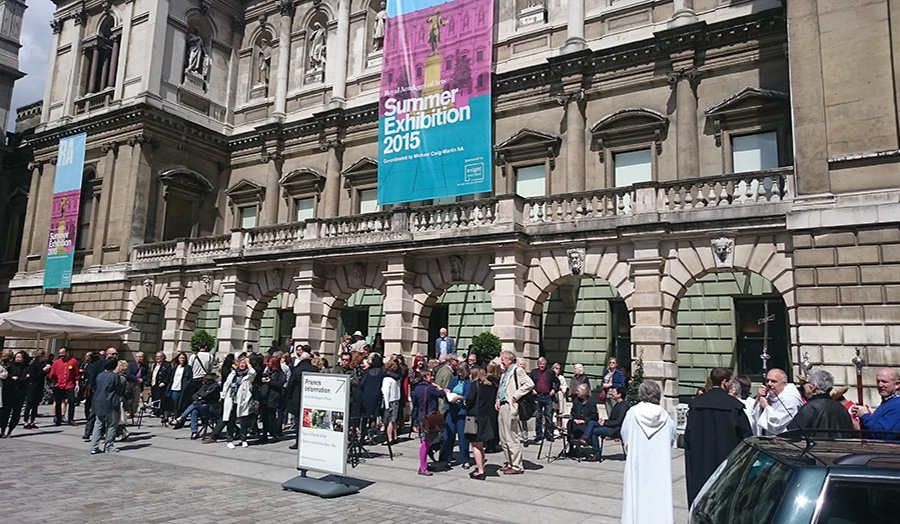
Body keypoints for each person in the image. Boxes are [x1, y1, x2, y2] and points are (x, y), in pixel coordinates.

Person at [684, 367, 753, 506]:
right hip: (727, 462)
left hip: (701, 460)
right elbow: (747, 438)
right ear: (724, 382)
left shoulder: (696, 404)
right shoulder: (734, 406)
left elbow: (688, 436)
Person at [620, 381, 676, 524]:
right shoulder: (665, 417)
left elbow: (625, 435)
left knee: (636, 497)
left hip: (637, 464)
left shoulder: (633, 413)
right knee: (658, 499)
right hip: (659, 467)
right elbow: (671, 437)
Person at [495, 350, 534, 475]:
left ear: (510, 360)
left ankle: (517, 466)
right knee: (503, 437)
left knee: (512, 436)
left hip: (510, 406)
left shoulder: (517, 370)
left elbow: (529, 384)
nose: (501, 361)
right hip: (502, 406)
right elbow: (502, 388)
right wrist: (497, 399)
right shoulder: (504, 373)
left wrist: (516, 395)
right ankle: (509, 462)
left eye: (503, 359)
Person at [787, 368, 853, 437]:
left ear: (813, 387)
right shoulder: (841, 408)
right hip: (842, 447)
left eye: (805, 383)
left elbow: (793, 432)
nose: (803, 386)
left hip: (819, 447)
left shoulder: (810, 407)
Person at [581, 386, 629, 462]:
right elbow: (612, 419)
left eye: (613, 392)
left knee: (594, 432)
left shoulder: (624, 406)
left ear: (619, 394)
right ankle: (585, 438)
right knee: (592, 422)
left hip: (616, 429)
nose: (611, 394)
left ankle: (596, 454)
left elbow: (618, 421)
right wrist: (603, 421)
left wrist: (605, 423)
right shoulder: (617, 404)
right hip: (611, 426)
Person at [412, 368, 446, 476]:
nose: (432, 377)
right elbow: (441, 394)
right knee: (426, 442)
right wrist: (439, 387)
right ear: (425, 377)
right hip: (430, 417)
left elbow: (415, 404)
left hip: (422, 416)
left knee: (427, 441)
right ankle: (422, 467)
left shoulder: (417, 388)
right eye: (430, 376)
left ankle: (425, 464)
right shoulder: (430, 388)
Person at [464, 366, 496, 480]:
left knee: (475, 444)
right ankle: (481, 467)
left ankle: (480, 471)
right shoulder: (488, 385)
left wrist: (464, 402)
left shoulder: (474, 385)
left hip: (473, 417)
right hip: (484, 416)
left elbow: (470, 400)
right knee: (481, 445)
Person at [851, 367, 900, 441]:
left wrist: (865, 415)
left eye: (884, 382)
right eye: (878, 381)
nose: (880, 385)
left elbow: (882, 434)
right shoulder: (887, 402)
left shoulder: (897, 405)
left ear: (897, 384)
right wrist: (862, 416)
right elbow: (872, 431)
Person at [752, 367, 803, 435]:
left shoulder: (790, 399)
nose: (769, 384)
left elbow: (777, 424)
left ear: (784, 384)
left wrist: (766, 407)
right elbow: (755, 416)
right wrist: (759, 398)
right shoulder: (769, 395)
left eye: (773, 381)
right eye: (767, 381)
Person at [89, 358, 125, 454]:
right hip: (111, 402)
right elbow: (119, 389)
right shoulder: (115, 376)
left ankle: (94, 446)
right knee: (112, 425)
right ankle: (109, 446)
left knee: (98, 424)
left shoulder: (100, 375)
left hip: (99, 402)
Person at [171, 374, 221, 440]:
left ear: (208, 381)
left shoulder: (215, 387)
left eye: (204, 381)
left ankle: (180, 418)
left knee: (195, 405)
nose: (203, 383)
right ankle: (194, 432)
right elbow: (194, 395)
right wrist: (199, 397)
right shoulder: (203, 387)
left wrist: (201, 396)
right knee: (194, 411)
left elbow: (206, 395)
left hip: (211, 408)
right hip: (202, 406)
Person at [221, 356, 256, 448]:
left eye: (244, 363)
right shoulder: (233, 373)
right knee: (230, 420)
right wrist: (223, 395)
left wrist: (249, 364)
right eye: (241, 363)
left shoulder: (248, 375)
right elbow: (226, 384)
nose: (242, 365)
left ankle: (243, 439)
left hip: (242, 400)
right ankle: (229, 439)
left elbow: (253, 372)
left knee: (243, 420)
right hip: (231, 399)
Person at [441, 363, 471, 468]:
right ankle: (447, 458)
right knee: (448, 435)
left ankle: (465, 460)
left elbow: (468, 396)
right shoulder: (455, 379)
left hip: (462, 412)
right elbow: (449, 388)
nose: (459, 373)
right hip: (451, 410)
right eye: (458, 371)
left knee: (463, 438)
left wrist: (460, 398)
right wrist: (447, 391)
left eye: (461, 371)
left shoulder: (468, 382)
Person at [529, 357, 559, 441]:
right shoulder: (534, 372)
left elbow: (557, 382)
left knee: (548, 416)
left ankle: (549, 434)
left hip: (547, 396)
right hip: (537, 396)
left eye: (543, 364)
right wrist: (532, 390)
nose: (542, 365)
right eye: (540, 364)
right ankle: (539, 435)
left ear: (545, 364)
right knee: (538, 416)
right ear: (538, 364)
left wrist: (554, 390)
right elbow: (529, 382)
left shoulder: (550, 372)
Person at [48, 347, 80, 426]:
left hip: (70, 385)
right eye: (60, 353)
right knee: (58, 402)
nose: (61, 355)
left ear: (67, 353)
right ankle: (58, 419)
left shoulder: (74, 361)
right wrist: (53, 383)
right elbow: (53, 375)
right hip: (59, 385)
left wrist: (77, 384)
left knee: (72, 402)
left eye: (62, 353)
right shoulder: (56, 363)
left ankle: (70, 419)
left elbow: (77, 374)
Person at [0, 350, 28, 438]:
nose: (18, 359)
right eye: (16, 357)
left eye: (20, 357)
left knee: (16, 413)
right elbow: (5, 376)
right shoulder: (10, 366)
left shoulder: (26, 367)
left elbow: (27, 379)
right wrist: (12, 378)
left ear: (24, 359)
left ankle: (10, 430)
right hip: (9, 391)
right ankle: (3, 429)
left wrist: (17, 379)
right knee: (5, 412)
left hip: (20, 393)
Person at [258, 357, 285, 443]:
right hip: (265, 396)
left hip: (273, 397)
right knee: (264, 416)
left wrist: (269, 382)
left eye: (270, 362)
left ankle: (274, 434)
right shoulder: (266, 372)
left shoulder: (280, 374)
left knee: (271, 416)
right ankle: (264, 434)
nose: (268, 364)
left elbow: (279, 385)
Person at [22, 350, 51, 429]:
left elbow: (42, 376)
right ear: (41, 355)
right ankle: (25, 421)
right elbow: (34, 376)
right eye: (44, 355)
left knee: (35, 405)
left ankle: (32, 421)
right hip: (32, 387)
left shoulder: (42, 363)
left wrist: (46, 371)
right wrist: (43, 371)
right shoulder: (34, 364)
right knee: (29, 404)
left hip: (39, 386)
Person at [165, 352, 193, 422]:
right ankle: (176, 417)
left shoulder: (188, 367)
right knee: (175, 404)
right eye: (181, 358)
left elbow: (190, 378)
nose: (182, 359)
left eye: (183, 358)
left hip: (182, 389)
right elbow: (171, 377)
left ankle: (179, 418)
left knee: (181, 405)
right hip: (174, 387)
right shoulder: (175, 367)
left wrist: (186, 386)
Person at [381, 359, 401, 445]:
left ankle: (389, 438)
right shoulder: (396, 379)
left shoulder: (387, 379)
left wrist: (386, 405)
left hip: (389, 400)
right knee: (394, 420)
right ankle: (395, 436)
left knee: (389, 420)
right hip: (396, 399)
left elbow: (385, 391)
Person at [126, 351, 149, 419]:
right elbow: (129, 374)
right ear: (136, 357)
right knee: (130, 399)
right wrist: (136, 379)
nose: (141, 358)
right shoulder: (131, 364)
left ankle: (134, 412)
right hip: (132, 383)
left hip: (139, 385)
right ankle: (128, 412)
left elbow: (147, 375)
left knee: (136, 399)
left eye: (142, 357)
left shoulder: (144, 366)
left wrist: (142, 379)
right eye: (140, 357)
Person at [149, 351, 171, 417]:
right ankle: (154, 410)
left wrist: (164, 382)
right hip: (154, 384)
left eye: (160, 357)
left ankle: (159, 412)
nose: (158, 358)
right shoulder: (155, 364)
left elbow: (169, 375)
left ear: (163, 357)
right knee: (154, 397)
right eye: (157, 357)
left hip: (161, 384)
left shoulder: (167, 365)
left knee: (159, 398)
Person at [552, 363, 568, 435]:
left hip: (560, 396)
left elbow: (565, 386)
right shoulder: (550, 376)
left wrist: (561, 388)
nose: (557, 370)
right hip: (552, 396)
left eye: (559, 368)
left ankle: (559, 427)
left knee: (560, 412)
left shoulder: (561, 377)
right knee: (553, 411)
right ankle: (553, 427)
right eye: (556, 368)